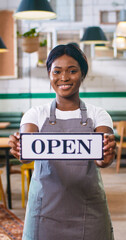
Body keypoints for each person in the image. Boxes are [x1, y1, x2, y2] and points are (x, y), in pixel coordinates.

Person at [9, 43, 116, 240]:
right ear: (49, 74)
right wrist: (19, 148)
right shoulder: (35, 114)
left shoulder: (98, 114)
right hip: (44, 213)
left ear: (82, 74)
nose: (64, 78)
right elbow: (26, 152)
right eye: (57, 71)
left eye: (72, 71)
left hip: (89, 211)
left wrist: (108, 153)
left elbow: (103, 160)